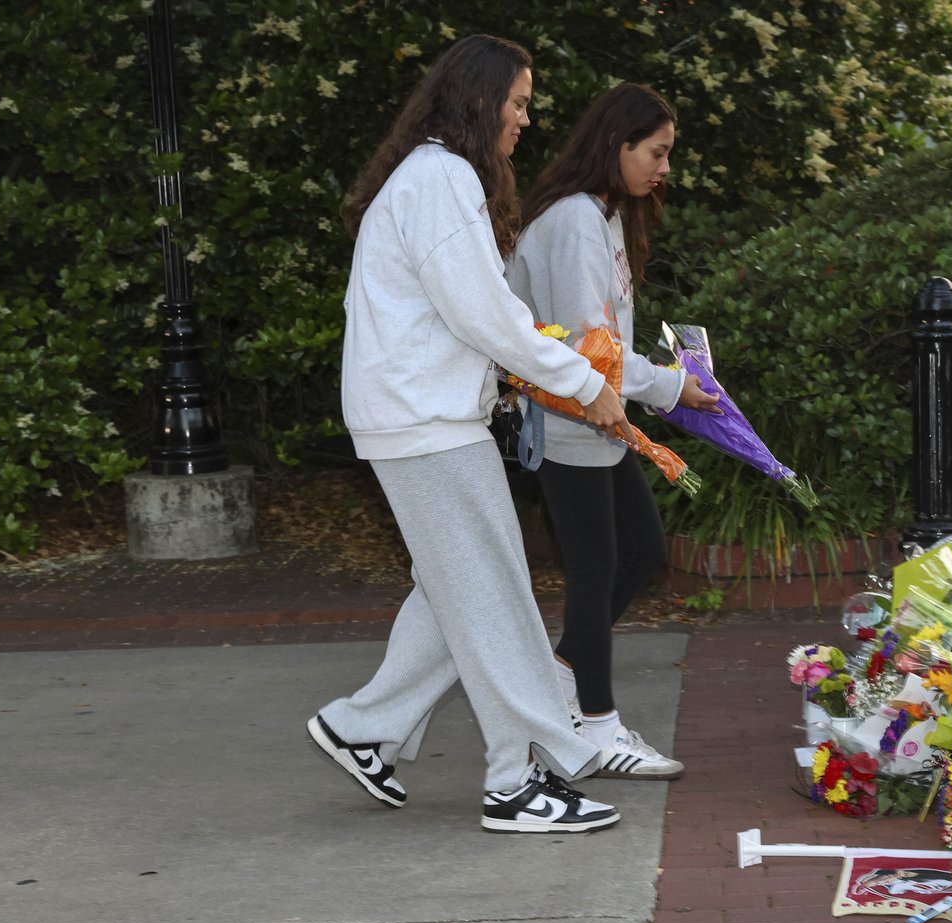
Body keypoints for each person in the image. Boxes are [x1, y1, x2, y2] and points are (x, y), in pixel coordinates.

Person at [307, 35, 635, 834]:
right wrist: (587, 385)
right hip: (425, 422)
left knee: (458, 588)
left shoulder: (428, 175)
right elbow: (486, 314)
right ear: (480, 101)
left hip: (414, 416)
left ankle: (361, 725)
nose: (525, 118)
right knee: (494, 593)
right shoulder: (444, 177)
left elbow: (479, 312)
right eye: (519, 103)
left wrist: (557, 373)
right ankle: (514, 783)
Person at [506, 83, 720, 780]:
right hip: (568, 419)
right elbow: (586, 350)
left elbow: (599, 340)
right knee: (598, 570)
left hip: (598, 420)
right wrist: (670, 385)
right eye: (656, 153)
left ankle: (565, 673)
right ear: (617, 145)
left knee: (640, 550)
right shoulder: (573, 220)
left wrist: (654, 386)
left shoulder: (601, 215)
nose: (664, 168)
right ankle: (595, 726)